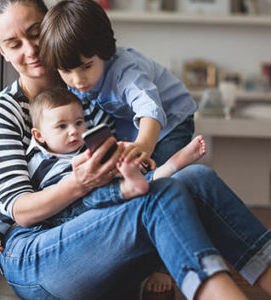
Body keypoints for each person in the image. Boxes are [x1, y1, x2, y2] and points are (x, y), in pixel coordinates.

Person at [0, 1, 271, 299]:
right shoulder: (3, 111)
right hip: (36, 250)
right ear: (1, 51)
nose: (30, 50)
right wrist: (81, 183)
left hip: (98, 227)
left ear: (53, 27)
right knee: (161, 196)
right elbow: (21, 211)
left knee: (198, 178)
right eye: (14, 43)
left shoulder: (87, 94)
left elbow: (124, 171)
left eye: (36, 33)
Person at [38, 0, 197, 293]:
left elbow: (150, 109)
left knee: (158, 183)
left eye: (87, 66)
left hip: (171, 121)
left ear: (105, 52)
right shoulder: (76, 83)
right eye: (67, 71)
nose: (78, 80)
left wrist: (145, 145)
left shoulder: (126, 70)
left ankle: (163, 265)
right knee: (130, 183)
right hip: (130, 128)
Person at [27, 87, 206, 220]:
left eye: (79, 123)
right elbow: (16, 200)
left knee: (115, 175)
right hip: (65, 210)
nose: (74, 131)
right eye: (62, 126)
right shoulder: (36, 159)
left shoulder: (88, 149)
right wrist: (0, 228)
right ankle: (152, 177)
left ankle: (168, 167)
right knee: (90, 196)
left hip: (102, 192)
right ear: (39, 135)